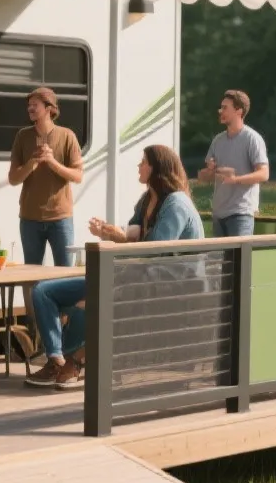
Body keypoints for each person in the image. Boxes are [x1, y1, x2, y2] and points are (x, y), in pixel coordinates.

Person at [26, 144, 202, 391]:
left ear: (157, 168)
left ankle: (78, 363)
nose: (139, 166)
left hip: (167, 284)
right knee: (43, 291)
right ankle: (56, 360)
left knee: (87, 304)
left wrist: (118, 238)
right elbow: (131, 235)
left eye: (143, 162)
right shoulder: (146, 201)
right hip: (133, 274)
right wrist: (108, 231)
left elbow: (153, 250)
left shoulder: (176, 203)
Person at [7, 86, 85, 266]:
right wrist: (31, 164)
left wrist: (52, 162)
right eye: (29, 105)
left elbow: (78, 176)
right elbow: (13, 179)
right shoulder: (23, 136)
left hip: (60, 218)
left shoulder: (67, 136)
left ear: (49, 108)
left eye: (35, 104)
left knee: (64, 274)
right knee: (32, 275)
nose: (30, 108)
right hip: (30, 218)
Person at [198, 89, 269, 237]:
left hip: (241, 214)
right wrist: (209, 171)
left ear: (239, 111)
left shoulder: (252, 139)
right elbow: (204, 177)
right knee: (220, 261)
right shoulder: (218, 140)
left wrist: (236, 180)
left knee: (239, 260)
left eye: (225, 108)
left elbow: (264, 174)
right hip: (218, 214)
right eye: (220, 107)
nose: (220, 111)